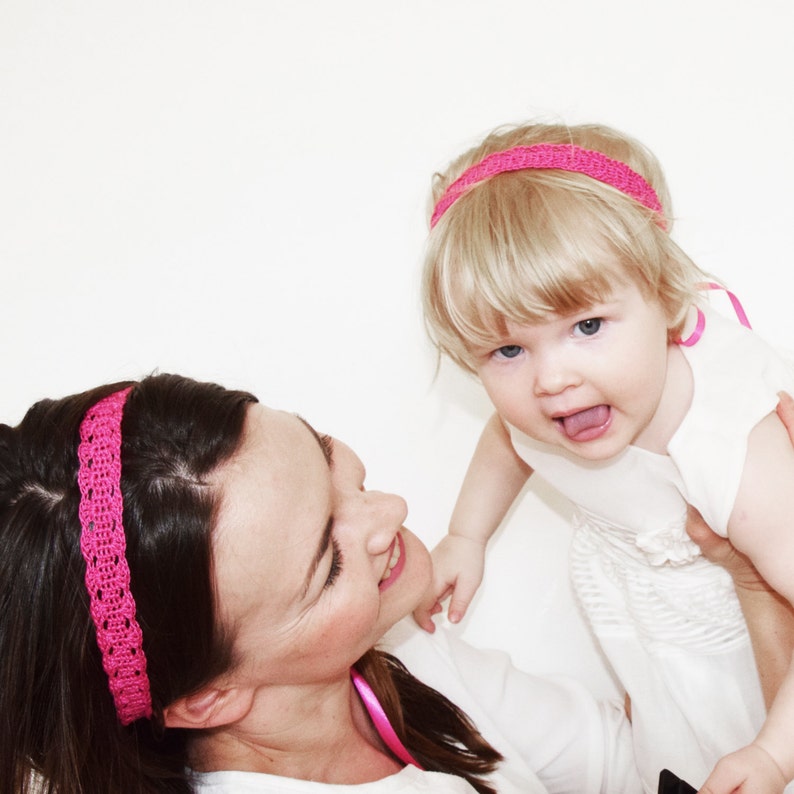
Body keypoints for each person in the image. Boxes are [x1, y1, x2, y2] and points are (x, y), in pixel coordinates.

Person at [0, 372, 645, 794]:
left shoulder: (400, 653)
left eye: (323, 453)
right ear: (207, 699)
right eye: (328, 564)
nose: (389, 509)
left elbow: (620, 763)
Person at [415, 121, 794, 793]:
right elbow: (509, 442)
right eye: (508, 350)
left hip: (756, 657)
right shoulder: (547, 412)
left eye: (587, 327)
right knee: (669, 743)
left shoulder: (732, 448)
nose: (550, 380)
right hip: (646, 629)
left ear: (668, 299)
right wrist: (465, 534)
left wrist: (772, 755)